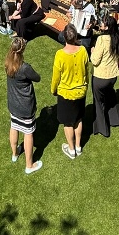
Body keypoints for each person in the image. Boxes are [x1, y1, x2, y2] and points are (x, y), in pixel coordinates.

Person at [4, 36, 43, 175]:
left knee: (14, 127)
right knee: (28, 133)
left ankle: (15, 154)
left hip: (13, 104)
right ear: (22, 50)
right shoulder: (25, 68)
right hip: (25, 107)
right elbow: (37, 78)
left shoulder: (7, 63)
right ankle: (29, 165)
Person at [51, 23, 89, 159]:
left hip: (66, 93)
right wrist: (86, 85)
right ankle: (78, 146)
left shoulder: (60, 54)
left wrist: (53, 90)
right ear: (76, 37)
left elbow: (56, 77)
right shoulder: (83, 50)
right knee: (78, 119)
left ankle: (71, 150)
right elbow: (86, 71)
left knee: (68, 123)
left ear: (64, 37)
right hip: (80, 91)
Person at [90, 13, 119, 137]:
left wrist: (92, 51)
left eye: (103, 23)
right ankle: (117, 119)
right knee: (110, 95)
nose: (101, 24)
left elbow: (95, 61)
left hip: (100, 77)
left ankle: (102, 129)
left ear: (107, 27)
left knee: (99, 103)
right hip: (112, 76)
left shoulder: (101, 40)